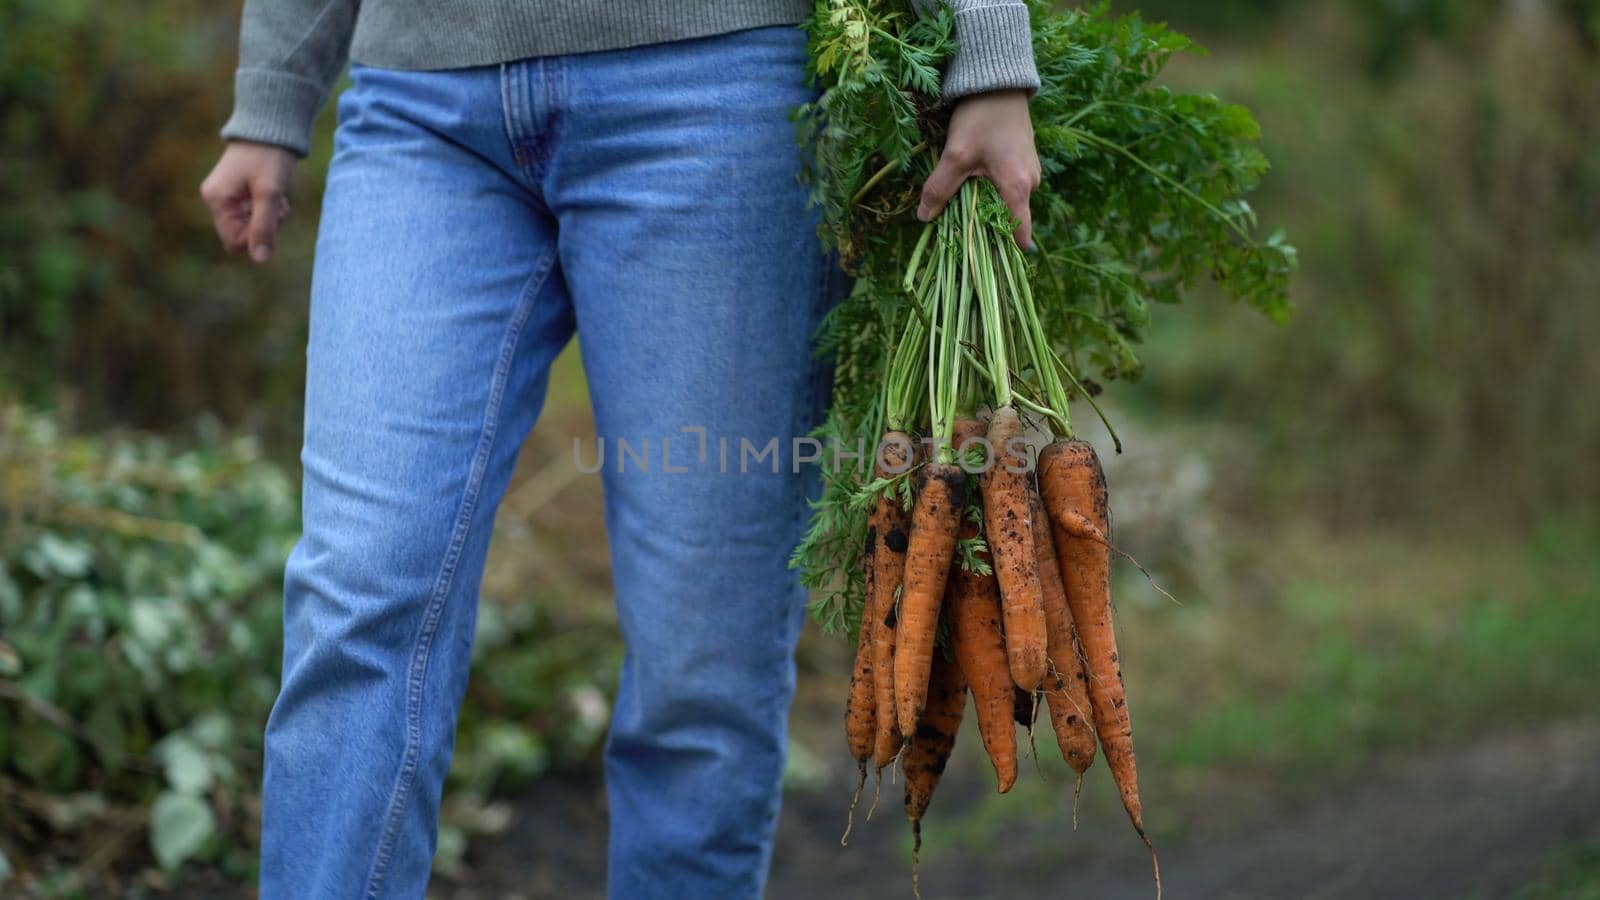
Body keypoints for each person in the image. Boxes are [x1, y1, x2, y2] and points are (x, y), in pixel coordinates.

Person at [199, 0, 1042, 896]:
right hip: (418, 104)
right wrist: (273, 97)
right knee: (358, 591)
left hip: (715, 91)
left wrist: (988, 44)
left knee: (702, 654)